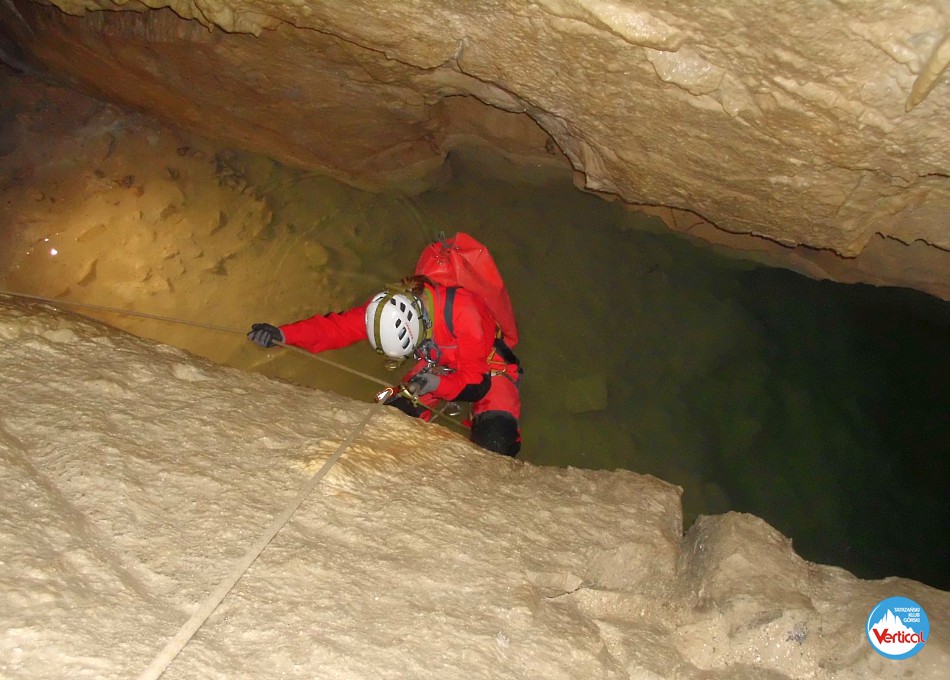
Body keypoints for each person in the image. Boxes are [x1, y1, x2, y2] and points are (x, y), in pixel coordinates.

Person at [247, 275, 522, 456]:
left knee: (496, 442)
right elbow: (337, 328)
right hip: (435, 365)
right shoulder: (385, 309)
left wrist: (439, 385)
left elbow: (476, 383)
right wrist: (283, 335)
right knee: (388, 420)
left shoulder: (465, 313)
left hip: (487, 367)